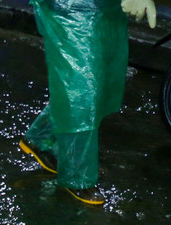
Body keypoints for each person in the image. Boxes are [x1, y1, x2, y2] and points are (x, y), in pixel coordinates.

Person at [17, 0, 156, 206]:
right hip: (70, 8)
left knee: (100, 81)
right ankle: (77, 177)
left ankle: (42, 138)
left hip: (104, 8)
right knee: (82, 92)